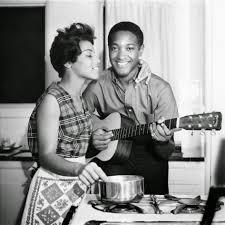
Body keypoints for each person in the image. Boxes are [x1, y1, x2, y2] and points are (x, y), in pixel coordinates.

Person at [21, 22, 108, 225]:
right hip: (50, 190)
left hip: (75, 186)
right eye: (89, 55)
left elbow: (73, 150)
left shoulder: (80, 98)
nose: (97, 60)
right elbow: (47, 156)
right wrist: (79, 169)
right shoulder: (52, 100)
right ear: (68, 62)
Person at [83, 21, 179, 194]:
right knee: (111, 215)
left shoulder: (161, 89)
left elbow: (166, 153)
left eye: (129, 48)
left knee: (153, 214)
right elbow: (75, 123)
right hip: (113, 159)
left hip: (152, 161)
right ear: (108, 49)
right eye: (114, 48)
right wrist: (92, 139)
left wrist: (162, 140)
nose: (121, 55)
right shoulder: (97, 84)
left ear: (140, 50)